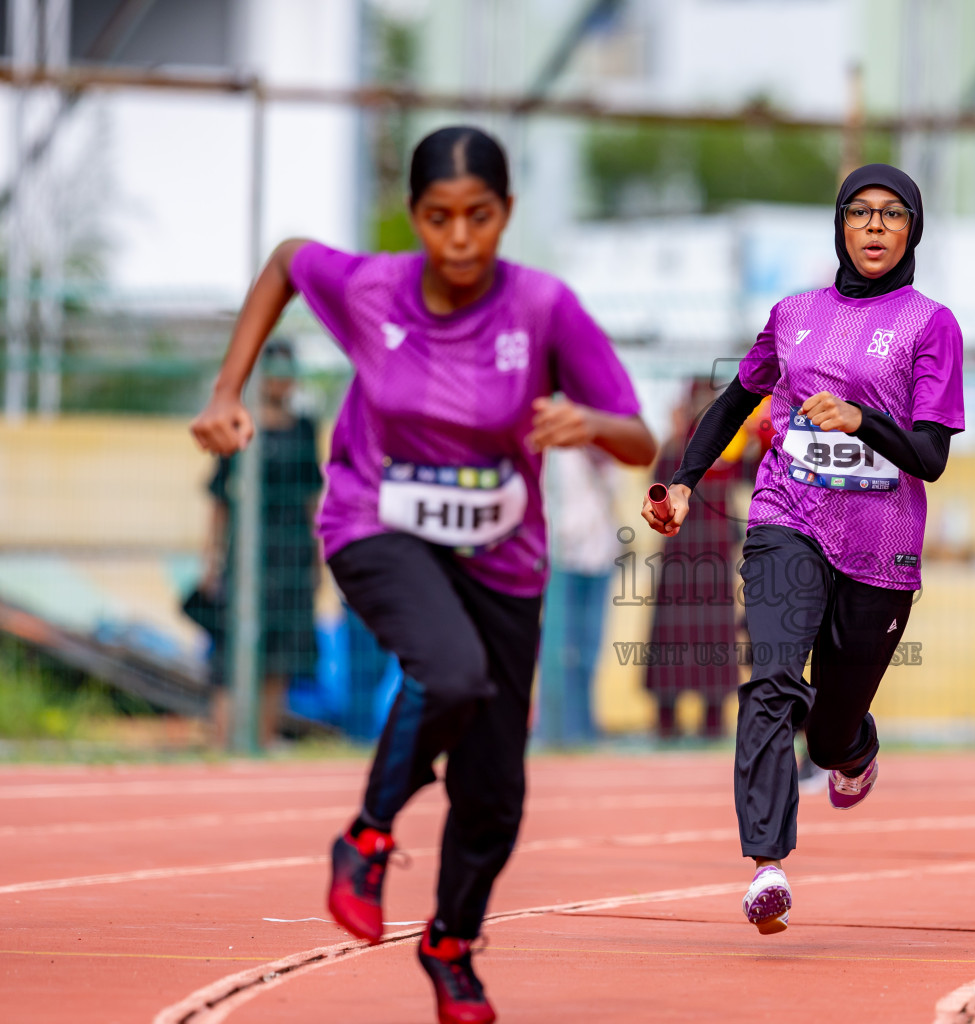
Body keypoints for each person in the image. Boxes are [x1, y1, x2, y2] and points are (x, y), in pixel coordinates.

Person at [190, 125, 656, 1024]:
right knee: (449, 673)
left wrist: (588, 425)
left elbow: (638, 436)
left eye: (479, 217)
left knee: (496, 792)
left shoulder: (543, 308)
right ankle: (366, 837)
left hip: (503, 555)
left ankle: (450, 944)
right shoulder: (371, 288)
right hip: (377, 520)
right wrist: (225, 390)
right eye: (438, 218)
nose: (459, 239)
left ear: (506, 215)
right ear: (414, 219)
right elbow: (287, 259)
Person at [641, 164, 964, 935]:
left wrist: (860, 421)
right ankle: (766, 866)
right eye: (861, 213)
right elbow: (736, 398)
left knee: (826, 731)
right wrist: (685, 481)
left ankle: (854, 748)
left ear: (912, 230)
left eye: (892, 215)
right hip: (788, 515)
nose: (876, 227)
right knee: (773, 678)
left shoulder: (929, 325)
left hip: (881, 545)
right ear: (840, 227)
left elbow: (930, 456)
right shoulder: (793, 315)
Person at [192, 338, 322, 749]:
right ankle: (223, 741)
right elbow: (220, 499)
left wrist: (318, 556)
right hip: (246, 555)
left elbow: (311, 497)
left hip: (292, 553)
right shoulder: (237, 423)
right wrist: (211, 562)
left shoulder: (305, 428)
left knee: (280, 655)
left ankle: (261, 743)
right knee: (230, 652)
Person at [644, 380, 745, 741]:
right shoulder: (674, 450)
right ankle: (666, 718)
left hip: (715, 559)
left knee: (714, 638)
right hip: (680, 558)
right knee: (673, 637)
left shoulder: (729, 448)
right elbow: (656, 486)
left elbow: (749, 470)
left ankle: (714, 718)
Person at [537, 444, 621, 745]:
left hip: (599, 558)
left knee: (588, 649)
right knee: (559, 649)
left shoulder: (610, 458)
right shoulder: (558, 454)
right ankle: (552, 728)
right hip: (563, 560)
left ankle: (583, 728)